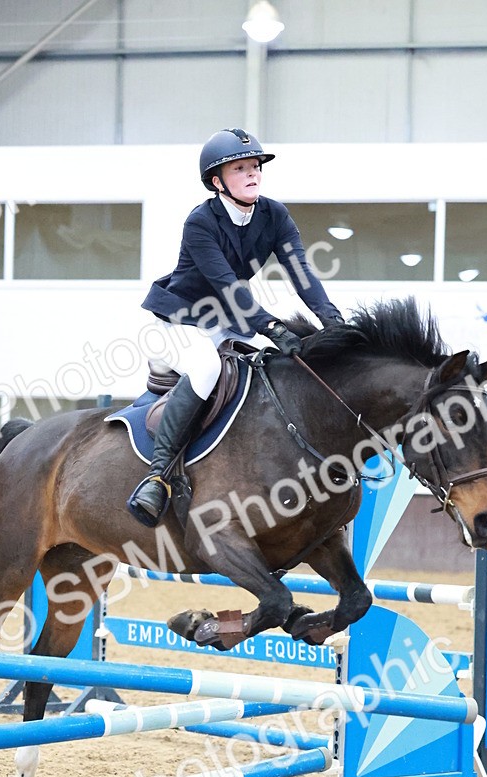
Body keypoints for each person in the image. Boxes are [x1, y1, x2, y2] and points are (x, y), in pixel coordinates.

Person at [127, 126, 344, 526]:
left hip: (229, 321)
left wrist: (332, 320)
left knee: (270, 369)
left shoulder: (274, 215)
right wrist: (271, 325)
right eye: (240, 168)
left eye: (255, 166)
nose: (253, 174)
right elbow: (227, 285)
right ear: (217, 181)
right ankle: (157, 476)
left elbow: (301, 273)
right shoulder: (200, 223)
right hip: (183, 319)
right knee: (209, 368)